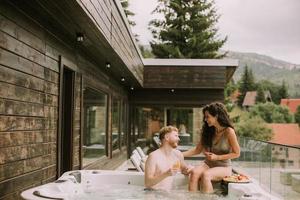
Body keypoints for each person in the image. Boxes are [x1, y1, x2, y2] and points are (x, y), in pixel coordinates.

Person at [183, 102, 240, 193]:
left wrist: (217, 157)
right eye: (205, 117)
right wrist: (179, 154)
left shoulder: (229, 132)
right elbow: (197, 150)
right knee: (194, 173)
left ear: (216, 116)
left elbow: (237, 153)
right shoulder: (208, 131)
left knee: (206, 175)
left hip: (224, 167)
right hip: (208, 164)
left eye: (207, 117)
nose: (205, 120)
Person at [144, 126, 193, 191]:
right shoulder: (153, 156)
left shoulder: (178, 155)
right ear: (167, 137)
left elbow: (184, 169)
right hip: (154, 193)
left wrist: (189, 169)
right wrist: (166, 174)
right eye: (176, 136)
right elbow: (147, 183)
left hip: (167, 193)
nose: (178, 139)